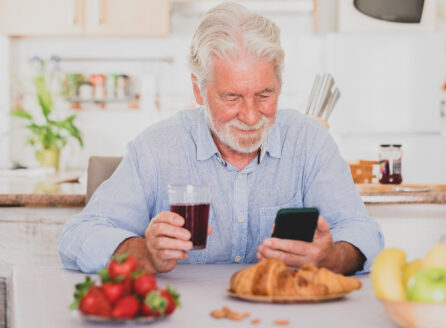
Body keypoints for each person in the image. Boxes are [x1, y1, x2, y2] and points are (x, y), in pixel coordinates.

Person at [58, 2, 384, 275]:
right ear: (198, 90)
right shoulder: (157, 148)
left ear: (280, 85)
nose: (252, 115)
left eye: (265, 94)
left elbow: (363, 232)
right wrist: (145, 253)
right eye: (231, 97)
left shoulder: (311, 142)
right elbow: (79, 235)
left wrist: (331, 258)